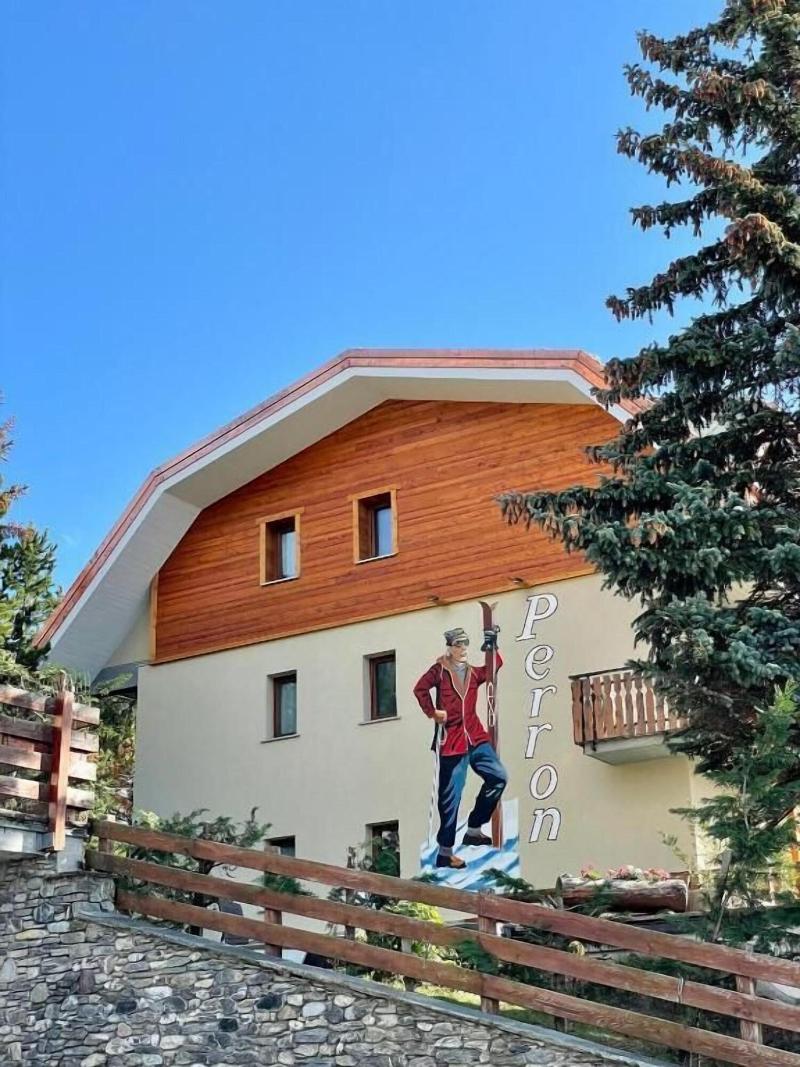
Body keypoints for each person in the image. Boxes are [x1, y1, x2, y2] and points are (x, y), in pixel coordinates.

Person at [413, 627, 508, 869]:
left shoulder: (473, 672)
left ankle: (474, 829)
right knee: (450, 798)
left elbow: (493, 669)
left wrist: (492, 645)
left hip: (475, 737)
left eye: (465, 644)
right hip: (452, 742)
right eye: (458, 644)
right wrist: (433, 713)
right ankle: (445, 853)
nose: (463, 648)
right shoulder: (439, 671)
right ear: (450, 647)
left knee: (498, 777)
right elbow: (420, 689)